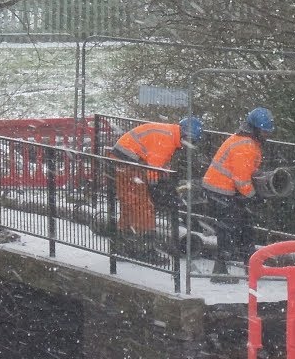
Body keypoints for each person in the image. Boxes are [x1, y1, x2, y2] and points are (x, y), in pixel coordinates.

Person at [202, 107, 274, 282]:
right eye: (264, 131)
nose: (267, 135)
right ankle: (221, 271)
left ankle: (247, 266)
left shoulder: (245, 141)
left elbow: (245, 172)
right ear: (256, 130)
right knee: (230, 228)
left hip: (222, 189)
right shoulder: (246, 146)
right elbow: (241, 179)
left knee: (242, 227)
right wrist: (252, 196)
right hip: (221, 190)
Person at [112, 117, 204, 249]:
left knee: (130, 204)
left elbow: (160, 165)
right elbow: (153, 170)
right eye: (191, 141)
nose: (188, 145)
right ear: (186, 136)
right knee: (143, 206)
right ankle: (145, 246)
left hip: (126, 161)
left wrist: (165, 181)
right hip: (127, 163)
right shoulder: (167, 141)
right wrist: (158, 189)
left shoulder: (171, 135)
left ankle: (123, 243)